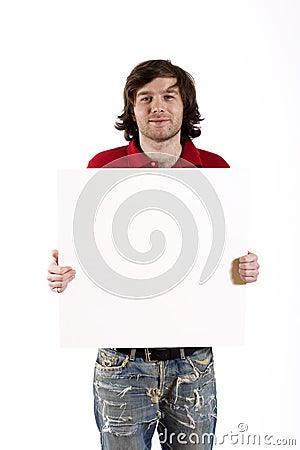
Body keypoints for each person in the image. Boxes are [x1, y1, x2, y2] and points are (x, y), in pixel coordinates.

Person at [47, 60, 259, 449]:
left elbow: (222, 261)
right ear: (132, 108)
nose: (157, 106)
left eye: (168, 96)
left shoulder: (216, 170)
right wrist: (64, 275)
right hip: (122, 361)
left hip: (192, 360)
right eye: (145, 98)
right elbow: (85, 257)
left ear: (185, 106)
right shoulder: (102, 168)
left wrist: (241, 269)